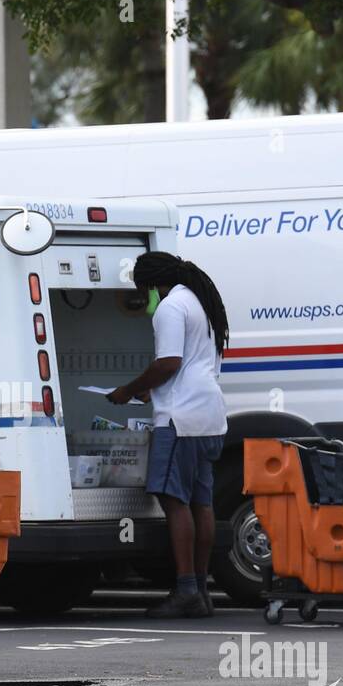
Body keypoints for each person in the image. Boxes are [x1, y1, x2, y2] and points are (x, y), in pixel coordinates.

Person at [109, 251, 230, 619]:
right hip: (209, 414)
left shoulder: (170, 306)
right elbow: (188, 364)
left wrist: (130, 389)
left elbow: (169, 362)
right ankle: (202, 590)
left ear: (149, 283)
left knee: (173, 499)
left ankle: (186, 590)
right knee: (200, 502)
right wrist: (153, 389)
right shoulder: (200, 301)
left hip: (181, 418)